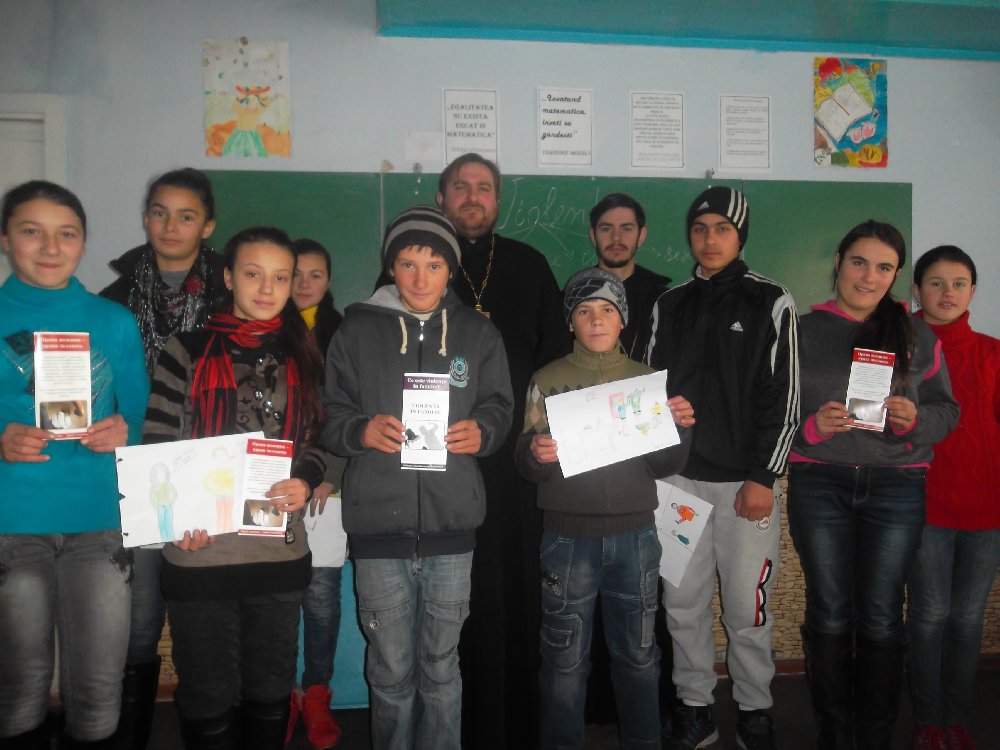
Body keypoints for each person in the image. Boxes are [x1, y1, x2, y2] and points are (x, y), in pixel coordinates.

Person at [322, 205, 514, 749]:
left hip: (453, 528)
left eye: (434, 265)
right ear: (391, 266)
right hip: (377, 528)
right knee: (389, 670)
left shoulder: (478, 332)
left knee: (441, 666)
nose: (421, 278)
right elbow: (329, 414)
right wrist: (359, 430)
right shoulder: (356, 330)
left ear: (450, 268)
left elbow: (500, 405)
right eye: (408, 263)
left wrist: (484, 431)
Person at [143, 226, 328, 748]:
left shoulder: (303, 354)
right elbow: (158, 444)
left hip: (278, 553)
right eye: (253, 273)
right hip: (200, 553)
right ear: (228, 277)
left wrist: (305, 479)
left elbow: (318, 440)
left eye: (280, 277)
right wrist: (176, 521)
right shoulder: (186, 350)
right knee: (207, 694)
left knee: (270, 690)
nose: (267, 289)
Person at [786, 221, 959, 750]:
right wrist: (811, 429)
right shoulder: (798, 330)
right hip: (820, 482)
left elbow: (946, 410)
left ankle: (876, 731)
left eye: (884, 267)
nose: (869, 276)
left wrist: (914, 421)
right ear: (838, 262)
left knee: (883, 612)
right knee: (829, 607)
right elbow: (769, 410)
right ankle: (835, 731)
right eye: (859, 262)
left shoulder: (916, 334)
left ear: (896, 275)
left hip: (896, 487)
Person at [646, 186, 799, 750]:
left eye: (722, 229)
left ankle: (755, 708)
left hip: (745, 487)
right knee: (681, 603)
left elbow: (785, 398)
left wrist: (763, 477)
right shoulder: (670, 303)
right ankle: (694, 706)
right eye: (700, 229)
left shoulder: (772, 300)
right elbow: (648, 388)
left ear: (740, 235)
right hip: (678, 484)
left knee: (746, 607)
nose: (709, 240)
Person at [515, 267, 694, 749]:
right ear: (570, 322)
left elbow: (664, 464)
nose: (596, 320)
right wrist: (534, 454)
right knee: (564, 659)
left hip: (636, 537)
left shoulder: (646, 382)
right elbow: (525, 461)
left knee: (639, 656)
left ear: (623, 320)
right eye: (584, 311)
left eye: (608, 310)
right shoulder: (546, 380)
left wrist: (680, 428)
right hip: (567, 539)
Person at [0, 180, 149, 748]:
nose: (50, 247)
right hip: (13, 525)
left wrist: (124, 431)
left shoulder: (113, 321)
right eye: (31, 231)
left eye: (66, 234)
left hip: (99, 524)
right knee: (19, 690)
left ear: (83, 243)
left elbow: (141, 416)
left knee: (98, 694)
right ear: (6, 239)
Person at [100, 167, 230, 750]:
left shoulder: (233, 293)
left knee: (208, 622)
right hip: (138, 475)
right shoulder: (113, 300)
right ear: (146, 218)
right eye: (159, 212)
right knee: (141, 623)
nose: (170, 225)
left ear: (208, 225)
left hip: (212, 471)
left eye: (186, 215)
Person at [906, 245, 999, 750]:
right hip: (924, 507)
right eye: (935, 282)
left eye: (959, 283)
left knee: (967, 618)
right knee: (930, 615)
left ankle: (957, 719)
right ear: (916, 290)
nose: (947, 292)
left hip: (988, 510)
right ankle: (927, 720)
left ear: (973, 291)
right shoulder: (901, 350)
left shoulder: (993, 354)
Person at [290, 238, 347, 750]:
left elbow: (356, 408)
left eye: (316, 274)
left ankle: (316, 695)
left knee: (322, 597)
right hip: (270, 480)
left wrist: (333, 474)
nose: (305, 284)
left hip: (329, 483)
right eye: (296, 273)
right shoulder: (264, 328)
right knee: (274, 596)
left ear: (329, 280)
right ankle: (279, 695)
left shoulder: (344, 330)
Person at [589, 193, 670, 362]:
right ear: (593, 236)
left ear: (641, 236)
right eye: (606, 228)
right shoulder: (572, 300)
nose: (616, 237)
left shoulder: (664, 301)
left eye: (626, 228)